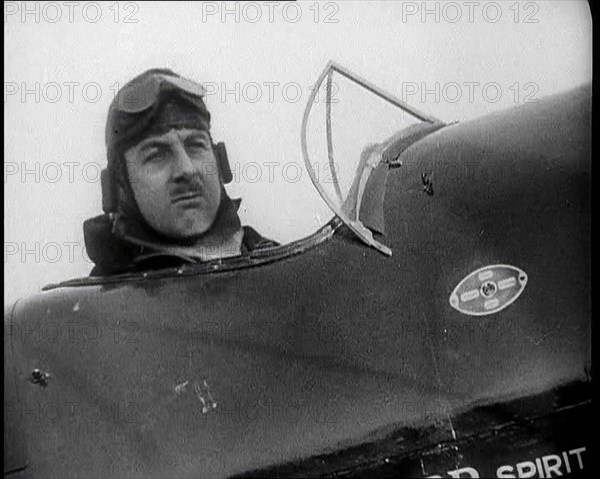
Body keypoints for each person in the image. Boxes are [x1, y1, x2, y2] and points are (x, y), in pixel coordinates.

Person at [83, 68, 278, 276]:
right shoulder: (95, 306)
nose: (187, 169)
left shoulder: (287, 277)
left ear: (220, 163)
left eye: (195, 145)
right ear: (118, 186)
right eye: (156, 155)